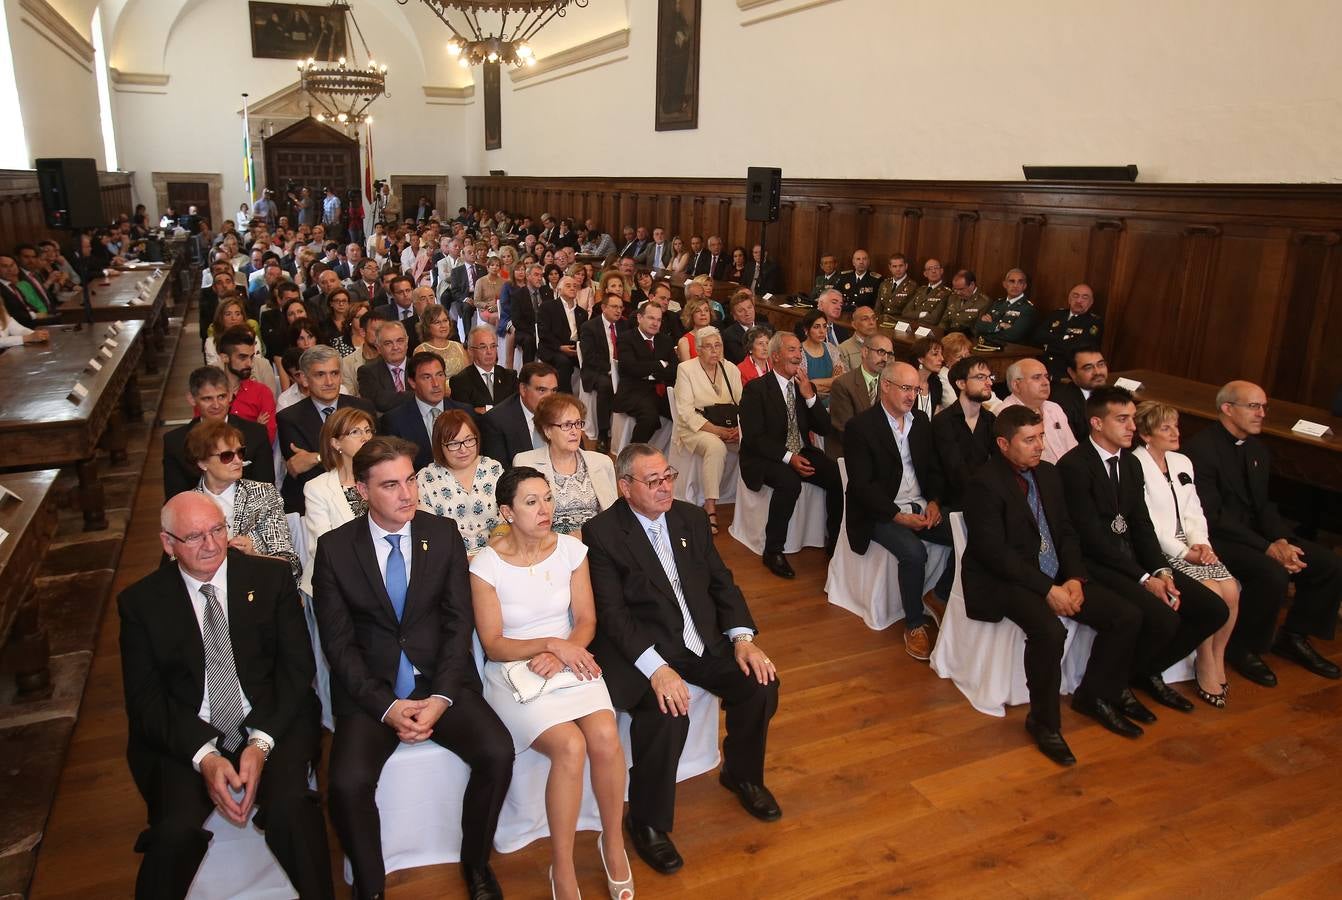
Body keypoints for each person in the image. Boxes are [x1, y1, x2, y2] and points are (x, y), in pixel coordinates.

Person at [312, 437, 513, 900]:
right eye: (390, 485)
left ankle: (476, 864)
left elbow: (457, 622)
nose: (407, 495)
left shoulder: (441, 533)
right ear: (362, 491)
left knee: (497, 752)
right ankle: (370, 886)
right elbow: (338, 645)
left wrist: (441, 697)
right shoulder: (336, 549)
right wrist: (386, 706)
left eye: (410, 481)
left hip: (440, 681)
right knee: (345, 784)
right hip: (373, 694)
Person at [117, 493, 333, 899]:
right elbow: (146, 701)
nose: (212, 545)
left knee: (292, 810)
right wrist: (206, 756)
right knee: (174, 832)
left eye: (218, 530)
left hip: (271, 720)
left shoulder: (269, 579)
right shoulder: (141, 603)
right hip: (186, 735)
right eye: (194, 536)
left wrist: (260, 743)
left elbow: (296, 670)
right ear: (168, 543)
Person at [584, 444, 781, 875]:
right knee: (666, 713)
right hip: (645, 649)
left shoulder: (689, 517)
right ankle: (647, 821)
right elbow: (613, 617)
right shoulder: (602, 533)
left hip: (703, 641)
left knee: (760, 683)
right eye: (652, 481)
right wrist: (657, 669)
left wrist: (743, 638)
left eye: (668, 476)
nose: (664, 487)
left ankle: (742, 774)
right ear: (625, 487)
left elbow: (722, 584)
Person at [469, 467, 633, 900]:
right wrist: (550, 645)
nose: (545, 509)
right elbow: (494, 644)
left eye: (547, 498)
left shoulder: (571, 551)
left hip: (571, 656)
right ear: (506, 511)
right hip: (514, 672)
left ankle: (612, 842)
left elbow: (586, 621)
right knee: (570, 745)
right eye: (531, 502)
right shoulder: (486, 566)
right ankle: (562, 867)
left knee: (604, 735)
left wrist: (564, 649)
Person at [962, 406, 1143, 765]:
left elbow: (1065, 531)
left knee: (1126, 615)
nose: (1039, 446)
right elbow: (994, 553)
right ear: (1003, 443)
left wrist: (1075, 577)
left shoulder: (1048, 474)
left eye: (1041, 436)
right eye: (1029, 440)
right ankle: (1044, 723)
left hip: (1056, 574)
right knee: (1049, 631)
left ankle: (1093, 694)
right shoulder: (983, 482)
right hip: (1005, 578)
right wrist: (1048, 590)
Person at [1058, 387, 1229, 712]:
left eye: (1132, 420)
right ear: (1096, 422)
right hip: (1095, 564)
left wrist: (1162, 571)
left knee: (1213, 609)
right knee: (1160, 617)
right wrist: (1145, 578)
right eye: (1121, 419)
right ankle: (1104, 690)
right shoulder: (1075, 466)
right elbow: (1091, 537)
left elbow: (1141, 526)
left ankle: (1140, 673)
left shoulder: (1131, 464)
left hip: (1133, 561)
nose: (1131, 427)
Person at [1185, 380, 1342, 684]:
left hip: (1255, 535)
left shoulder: (1257, 448)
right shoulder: (1201, 450)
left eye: (1263, 407)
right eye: (1253, 406)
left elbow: (1264, 506)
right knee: (1272, 573)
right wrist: (1267, 547)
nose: (1262, 413)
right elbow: (1213, 517)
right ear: (1227, 409)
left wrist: (1282, 539)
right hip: (1218, 539)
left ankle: (1294, 635)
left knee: (1328, 564)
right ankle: (1243, 648)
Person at [843, 362, 956, 660]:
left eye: (916, 389)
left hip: (920, 504)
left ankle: (939, 595)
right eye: (905, 388)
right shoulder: (861, 427)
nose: (911, 396)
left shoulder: (921, 421)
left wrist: (934, 502)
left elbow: (934, 469)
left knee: (968, 534)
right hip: (880, 510)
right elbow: (862, 486)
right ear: (886, 386)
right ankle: (914, 624)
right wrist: (896, 516)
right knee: (913, 552)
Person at [1133, 401, 1242, 707]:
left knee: (1231, 589)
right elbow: (1148, 522)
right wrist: (1184, 552)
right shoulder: (1136, 465)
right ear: (1146, 435)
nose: (1174, 433)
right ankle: (1204, 659)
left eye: (1175, 426)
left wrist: (1201, 543)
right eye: (1165, 428)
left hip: (1193, 542)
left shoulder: (1182, 462)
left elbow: (1194, 509)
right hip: (1162, 546)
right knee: (1211, 592)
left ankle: (1218, 655)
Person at [739, 332, 843, 578]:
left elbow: (824, 428)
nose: (798, 356)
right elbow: (755, 438)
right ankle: (773, 550)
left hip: (800, 449)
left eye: (799, 351)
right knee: (789, 481)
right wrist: (788, 458)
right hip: (763, 457)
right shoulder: (756, 389)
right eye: (792, 350)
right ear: (775, 356)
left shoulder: (801, 386)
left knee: (837, 474)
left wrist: (809, 397)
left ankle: (834, 539)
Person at [186, 420, 300, 580]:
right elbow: (180, 565)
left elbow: (290, 563)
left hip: (259, 585)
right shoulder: (187, 506)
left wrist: (254, 555)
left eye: (240, 452)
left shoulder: (263, 494)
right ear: (202, 462)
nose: (238, 460)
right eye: (227, 456)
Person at [277, 346, 376, 515]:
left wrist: (316, 457)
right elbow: (303, 470)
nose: (329, 382)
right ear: (305, 379)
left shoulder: (362, 408)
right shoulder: (289, 418)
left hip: (363, 491)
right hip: (312, 504)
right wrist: (347, 454)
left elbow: (372, 456)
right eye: (320, 375)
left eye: (334, 373)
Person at [672, 326, 743, 533]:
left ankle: (749, 499)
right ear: (698, 349)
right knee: (716, 447)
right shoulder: (686, 369)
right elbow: (685, 413)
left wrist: (739, 429)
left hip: (729, 427)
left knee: (755, 442)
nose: (715, 351)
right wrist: (717, 431)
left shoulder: (730, 368)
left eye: (718, 345)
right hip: (695, 427)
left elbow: (744, 403)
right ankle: (710, 505)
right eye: (709, 347)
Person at [515, 393, 618, 535]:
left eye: (578, 424)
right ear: (547, 431)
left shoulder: (602, 463)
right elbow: (525, 520)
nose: (575, 431)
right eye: (567, 425)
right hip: (550, 545)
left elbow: (612, 515)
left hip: (597, 544)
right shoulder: (526, 463)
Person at [164, 367, 274, 499]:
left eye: (221, 397)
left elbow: (266, 490)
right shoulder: (175, 442)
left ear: (230, 395)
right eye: (207, 399)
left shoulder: (256, 433)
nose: (216, 405)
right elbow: (176, 498)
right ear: (192, 399)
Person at [299, 406, 375, 595]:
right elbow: (322, 548)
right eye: (355, 432)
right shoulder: (317, 488)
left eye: (367, 431)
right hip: (335, 585)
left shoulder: (381, 480)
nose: (365, 438)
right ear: (335, 443)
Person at [417, 410, 504, 557]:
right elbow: (428, 532)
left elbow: (509, 516)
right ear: (440, 445)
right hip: (448, 561)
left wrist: (490, 555)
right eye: (454, 443)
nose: (463, 449)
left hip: (497, 555)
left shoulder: (493, 469)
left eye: (469, 440)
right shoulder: (425, 479)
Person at [379, 351, 476, 470]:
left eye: (440, 375)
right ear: (412, 382)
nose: (436, 384)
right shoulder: (395, 421)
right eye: (427, 377)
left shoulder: (465, 412)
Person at [932, 355, 997, 510]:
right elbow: (955, 469)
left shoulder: (990, 419)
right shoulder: (943, 421)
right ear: (961, 383)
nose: (989, 383)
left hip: (986, 497)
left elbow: (997, 462)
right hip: (952, 502)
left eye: (989, 377)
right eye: (980, 377)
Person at [614, 301, 678, 445]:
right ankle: (633, 454)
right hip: (634, 391)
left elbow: (674, 370)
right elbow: (630, 368)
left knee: (683, 414)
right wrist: (660, 364)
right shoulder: (626, 338)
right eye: (651, 318)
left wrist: (650, 372)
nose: (655, 323)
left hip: (660, 391)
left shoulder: (665, 340)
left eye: (659, 320)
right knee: (649, 417)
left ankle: (674, 457)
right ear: (639, 318)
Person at [994, 358, 1077, 464]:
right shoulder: (1004, 414)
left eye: (1046, 377)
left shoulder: (1054, 408)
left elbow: (1072, 448)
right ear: (1016, 385)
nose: (1046, 382)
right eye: (1037, 378)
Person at [481, 361, 561, 466]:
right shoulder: (496, 421)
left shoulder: (563, 413)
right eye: (542, 390)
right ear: (523, 389)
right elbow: (500, 471)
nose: (550, 398)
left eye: (553, 390)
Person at [827, 332, 892, 458]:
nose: (885, 359)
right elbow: (846, 430)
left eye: (889, 354)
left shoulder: (890, 384)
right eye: (881, 352)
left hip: (879, 451)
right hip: (849, 452)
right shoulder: (843, 384)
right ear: (865, 352)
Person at [216, 326, 278, 444]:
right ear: (224, 357)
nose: (249, 364)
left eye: (251, 357)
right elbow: (203, 438)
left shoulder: (262, 393)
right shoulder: (210, 395)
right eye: (242, 357)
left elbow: (267, 440)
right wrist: (255, 429)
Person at [1036, 283, 1104, 380]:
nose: (1079, 300)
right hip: (1042, 365)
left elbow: (1079, 347)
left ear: (1091, 302)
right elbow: (1038, 336)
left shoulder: (1094, 322)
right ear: (1069, 299)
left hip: (1067, 371)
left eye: (1085, 297)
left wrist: (1050, 342)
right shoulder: (1056, 315)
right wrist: (1063, 339)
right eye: (1075, 296)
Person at [451, 324, 519, 413]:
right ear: (471, 351)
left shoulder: (510, 376)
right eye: (483, 347)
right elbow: (464, 416)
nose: (489, 352)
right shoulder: (460, 381)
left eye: (493, 346)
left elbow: (517, 408)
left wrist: (486, 409)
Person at [538, 275, 587, 392]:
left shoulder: (582, 313)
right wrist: (560, 347)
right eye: (568, 286)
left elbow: (584, 335)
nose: (572, 288)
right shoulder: (548, 307)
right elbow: (544, 333)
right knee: (564, 363)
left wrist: (580, 350)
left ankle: (586, 396)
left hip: (575, 348)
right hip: (553, 347)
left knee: (591, 362)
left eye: (575, 286)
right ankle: (565, 398)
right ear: (559, 290)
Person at [1052, 345, 1109, 442]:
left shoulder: (1113, 395)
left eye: (1101, 365)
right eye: (1088, 368)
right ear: (1072, 373)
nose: (1097, 372)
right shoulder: (1062, 404)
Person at [357, 319, 414, 413]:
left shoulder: (419, 367)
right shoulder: (367, 372)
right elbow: (380, 402)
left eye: (400, 341)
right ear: (378, 348)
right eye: (388, 343)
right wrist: (417, 395)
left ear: (406, 343)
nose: (395, 347)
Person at [974, 268, 1036, 344]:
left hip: (1012, 350)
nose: (1015, 286)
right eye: (1012, 281)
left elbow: (1014, 335)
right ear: (1005, 284)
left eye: (1020, 282)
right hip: (990, 346)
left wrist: (988, 330)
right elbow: (979, 326)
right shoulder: (997, 303)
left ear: (1024, 286)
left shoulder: (1027, 308)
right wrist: (999, 326)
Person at [798, 308, 844, 406]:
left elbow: (840, 381)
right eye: (816, 327)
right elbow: (804, 386)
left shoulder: (831, 349)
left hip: (833, 403)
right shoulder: (799, 352)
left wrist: (815, 384)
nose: (822, 331)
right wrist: (832, 381)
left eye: (824, 326)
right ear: (806, 330)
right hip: (808, 404)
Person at [414, 303, 469, 378]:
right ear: (427, 326)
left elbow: (469, 377)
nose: (443, 326)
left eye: (445, 320)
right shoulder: (421, 351)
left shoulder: (459, 347)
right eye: (437, 322)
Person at [720, 289, 771, 365]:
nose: (747, 313)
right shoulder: (729, 335)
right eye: (741, 311)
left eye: (749, 307)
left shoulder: (768, 328)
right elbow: (742, 360)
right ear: (734, 316)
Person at [910, 335, 955, 417]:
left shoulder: (936, 384)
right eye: (935, 354)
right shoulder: (907, 383)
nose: (941, 358)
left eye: (941, 354)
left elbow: (935, 416)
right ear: (921, 359)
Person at [900, 259, 952, 326]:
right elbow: (905, 313)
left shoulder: (946, 293)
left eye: (936, 268)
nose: (933, 271)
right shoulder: (920, 290)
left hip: (930, 329)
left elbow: (934, 319)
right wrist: (922, 314)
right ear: (925, 274)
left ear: (941, 271)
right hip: (913, 327)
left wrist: (914, 316)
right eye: (930, 269)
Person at [942, 269, 992, 334]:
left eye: (961, 289)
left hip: (968, 339)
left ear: (972, 285)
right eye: (955, 288)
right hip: (949, 336)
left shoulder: (984, 302)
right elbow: (944, 321)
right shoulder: (952, 297)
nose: (957, 292)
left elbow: (978, 330)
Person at [835, 305, 878, 374]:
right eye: (865, 319)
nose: (871, 322)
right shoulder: (843, 349)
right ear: (854, 325)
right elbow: (844, 381)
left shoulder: (884, 345)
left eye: (874, 318)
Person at [875, 253, 916, 322]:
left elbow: (908, 313)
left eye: (901, 266)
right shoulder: (884, 284)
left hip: (900, 323)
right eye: (894, 266)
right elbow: (878, 308)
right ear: (890, 268)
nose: (898, 269)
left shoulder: (912, 286)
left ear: (906, 266)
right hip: (882, 322)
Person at [675, 295, 714, 362]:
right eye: (698, 311)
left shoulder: (716, 336)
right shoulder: (684, 341)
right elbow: (687, 371)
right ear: (691, 315)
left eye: (706, 310)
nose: (703, 314)